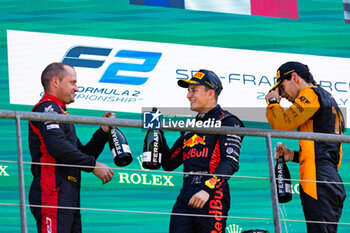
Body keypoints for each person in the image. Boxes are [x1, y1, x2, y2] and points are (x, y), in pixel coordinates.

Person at [28, 62, 115, 233]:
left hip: (67, 193)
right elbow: (57, 147)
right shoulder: (47, 108)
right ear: (56, 82)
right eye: (73, 82)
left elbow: (80, 153)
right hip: (52, 191)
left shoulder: (60, 112)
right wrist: (93, 165)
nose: (77, 88)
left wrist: (103, 131)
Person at [265, 61, 346, 233]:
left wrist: (273, 102)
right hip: (327, 178)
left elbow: (282, 124)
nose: (282, 94)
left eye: (282, 87)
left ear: (294, 78)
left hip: (318, 179)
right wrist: (292, 155)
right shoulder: (326, 98)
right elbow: (323, 151)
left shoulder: (310, 94)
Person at [161, 69, 244, 233]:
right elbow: (169, 163)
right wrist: (157, 132)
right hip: (186, 193)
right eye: (188, 91)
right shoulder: (190, 128)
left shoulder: (227, 121)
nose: (188, 95)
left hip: (212, 193)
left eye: (194, 90)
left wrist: (207, 190)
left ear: (211, 93)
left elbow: (230, 162)